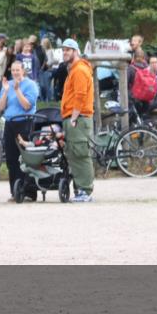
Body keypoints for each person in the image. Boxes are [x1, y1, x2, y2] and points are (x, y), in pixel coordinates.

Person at [0, 61, 39, 202]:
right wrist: (6, 91)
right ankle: (15, 192)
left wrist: (17, 90)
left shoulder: (31, 85)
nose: (15, 73)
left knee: (25, 158)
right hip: (10, 123)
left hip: (25, 122)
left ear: (23, 71)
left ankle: (29, 192)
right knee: (11, 158)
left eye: (17, 70)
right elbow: (1, 107)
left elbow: (27, 106)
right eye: (13, 70)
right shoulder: (7, 85)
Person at [60, 39, 95, 202]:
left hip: (78, 119)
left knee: (80, 154)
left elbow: (80, 96)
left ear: (75, 51)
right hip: (74, 118)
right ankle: (81, 191)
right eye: (63, 50)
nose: (65, 52)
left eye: (68, 50)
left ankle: (85, 192)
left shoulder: (79, 70)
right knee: (74, 154)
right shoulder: (74, 69)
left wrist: (73, 118)